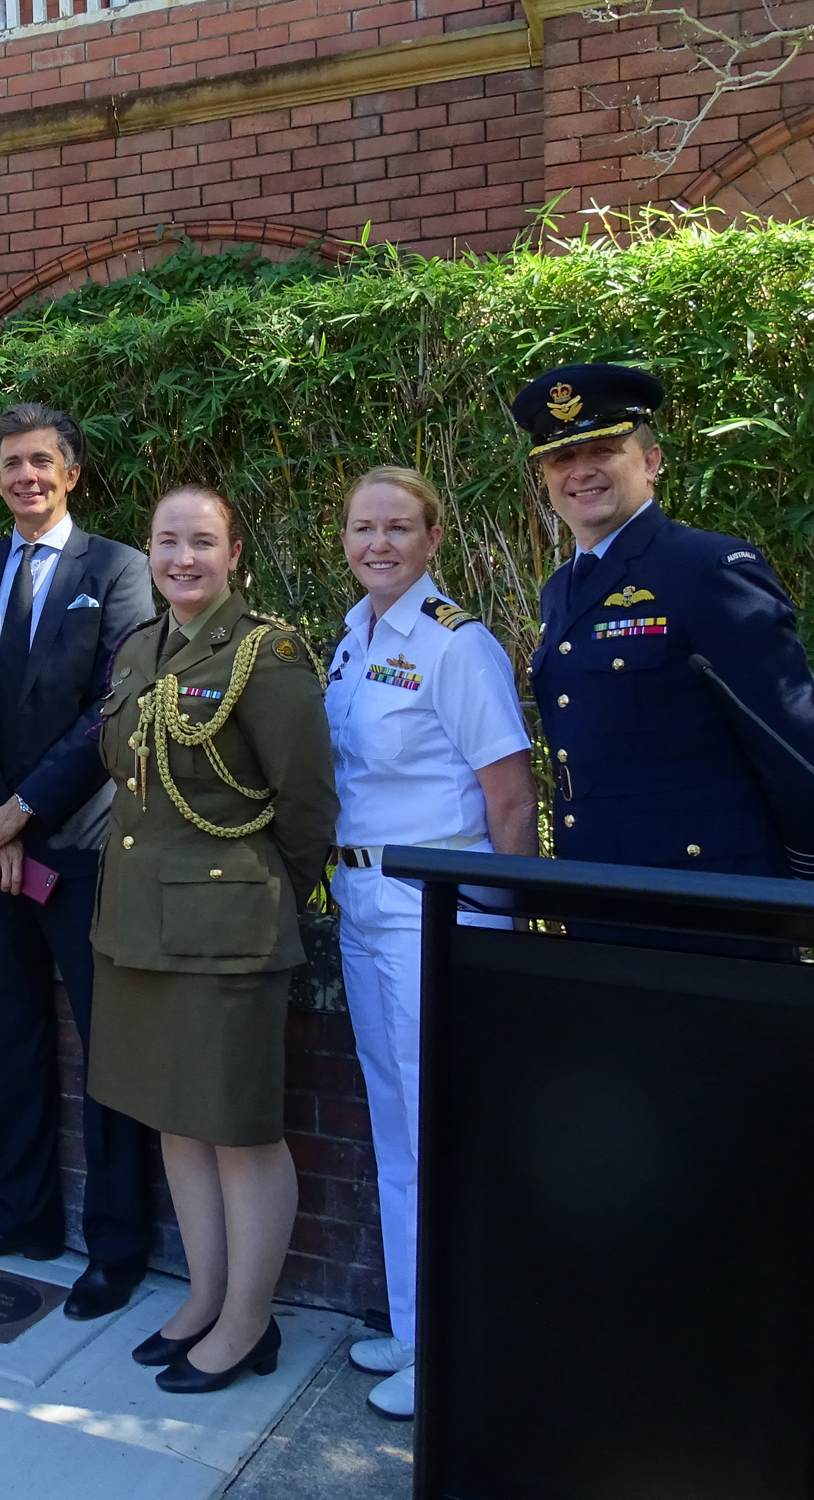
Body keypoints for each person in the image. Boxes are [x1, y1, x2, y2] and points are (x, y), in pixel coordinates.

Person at [87, 485, 337, 1392]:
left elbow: (307, 807)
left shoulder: (265, 653)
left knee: (238, 1129)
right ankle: (204, 1298)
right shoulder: (142, 647)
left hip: (228, 929)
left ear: (234, 554)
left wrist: (270, 897)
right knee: (176, 1124)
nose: (182, 558)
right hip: (140, 924)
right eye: (166, 542)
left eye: (202, 542)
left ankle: (248, 1321)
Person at [0, 401, 158, 1323]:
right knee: (7, 1034)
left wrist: (21, 814)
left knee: (111, 1052)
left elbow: (112, 711)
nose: (25, 476)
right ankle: (24, 1217)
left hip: (84, 850)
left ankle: (118, 1246)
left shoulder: (121, 570)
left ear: (71, 472)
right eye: (10, 463)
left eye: (42, 462)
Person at [322, 466, 538, 1419]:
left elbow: (511, 797)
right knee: (396, 1131)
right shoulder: (350, 639)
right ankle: (417, 1332)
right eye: (365, 528)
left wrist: (505, 924)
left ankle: (462, 1346)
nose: (380, 544)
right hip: (364, 907)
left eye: (399, 528)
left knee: (442, 1128)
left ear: (433, 537)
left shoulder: (459, 645)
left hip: (438, 908)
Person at [513, 364, 814, 879]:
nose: (580, 471)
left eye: (603, 451)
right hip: (599, 879)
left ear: (651, 462)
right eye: (561, 458)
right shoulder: (560, 589)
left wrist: (813, 874)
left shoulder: (707, 569)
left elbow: (793, 740)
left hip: (706, 889)